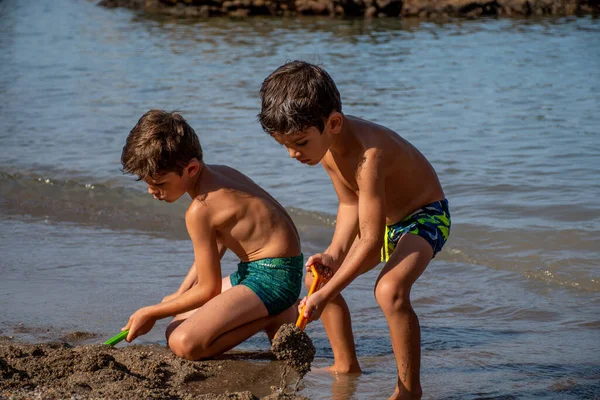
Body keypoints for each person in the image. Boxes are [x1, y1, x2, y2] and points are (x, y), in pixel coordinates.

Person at [258, 61, 451, 399]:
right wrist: (333, 253)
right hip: (382, 222)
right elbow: (350, 203)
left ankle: (409, 390)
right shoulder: (328, 146)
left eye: (300, 142)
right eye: (285, 145)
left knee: (389, 290)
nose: (293, 154)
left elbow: (372, 242)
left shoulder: (369, 156)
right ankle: (345, 365)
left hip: (425, 217)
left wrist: (323, 297)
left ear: (332, 123)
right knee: (318, 275)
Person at [119, 109, 303, 360]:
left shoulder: (200, 210)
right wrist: (180, 293)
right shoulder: (220, 174)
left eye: (160, 184)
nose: (153, 191)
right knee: (176, 323)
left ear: (191, 168)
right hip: (268, 270)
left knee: (183, 343)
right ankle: (274, 310)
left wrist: (151, 311)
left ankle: (276, 315)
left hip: (273, 278)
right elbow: (218, 245)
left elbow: (208, 289)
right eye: (148, 183)